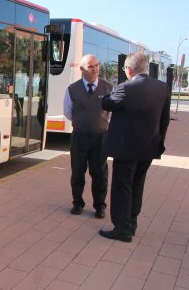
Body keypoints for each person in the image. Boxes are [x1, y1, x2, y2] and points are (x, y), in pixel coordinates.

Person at [99, 52, 170, 242]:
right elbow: (164, 120)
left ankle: (122, 230)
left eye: (124, 70)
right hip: (148, 148)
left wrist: (108, 94)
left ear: (129, 69)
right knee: (137, 186)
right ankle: (131, 224)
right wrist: (159, 141)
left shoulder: (126, 87)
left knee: (123, 188)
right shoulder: (162, 88)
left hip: (126, 149)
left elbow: (107, 103)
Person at [64, 54, 113, 219]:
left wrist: (100, 124)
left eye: (97, 65)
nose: (95, 69)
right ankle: (77, 203)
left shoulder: (108, 88)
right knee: (77, 172)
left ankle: (100, 206)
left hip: (101, 137)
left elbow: (111, 113)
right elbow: (68, 112)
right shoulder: (72, 89)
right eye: (90, 66)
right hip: (80, 137)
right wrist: (82, 122)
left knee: (99, 173)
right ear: (82, 69)